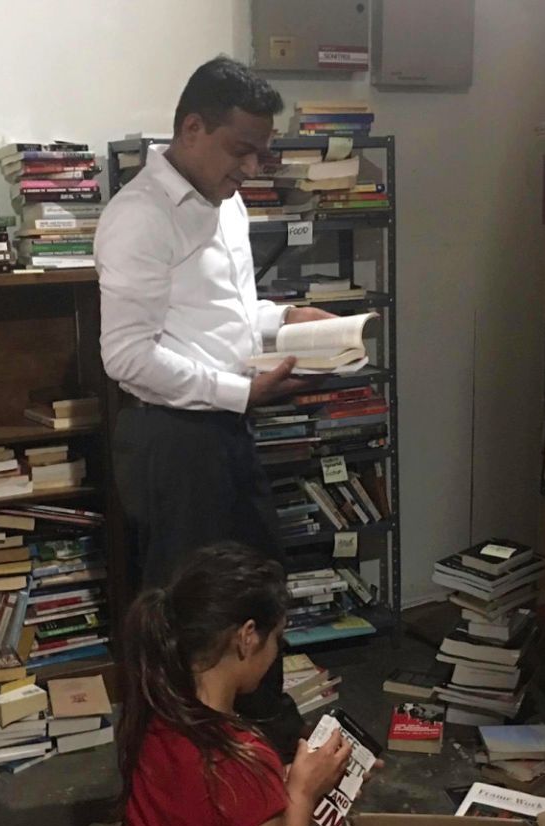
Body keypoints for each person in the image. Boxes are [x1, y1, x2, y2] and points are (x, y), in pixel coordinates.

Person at [95, 56, 336, 761]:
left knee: (259, 589)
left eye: (261, 150)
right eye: (241, 149)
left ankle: (261, 749)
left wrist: (285, 319)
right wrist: (241, 391)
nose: (252, 167)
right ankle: (179, 770)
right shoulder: (139, 218)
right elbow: (128, 356)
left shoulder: (224, 201)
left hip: (225, 425)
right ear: (192, 127)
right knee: (190, 618)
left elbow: (224, 316)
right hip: (171, 438)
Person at [105, 542, 352, 826]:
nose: (277, 651)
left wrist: (286, 779)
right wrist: (298, 797)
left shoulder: (157, 707)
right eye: (277, 639)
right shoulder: (243, 761)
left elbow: (209, 805)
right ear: (246, 636)